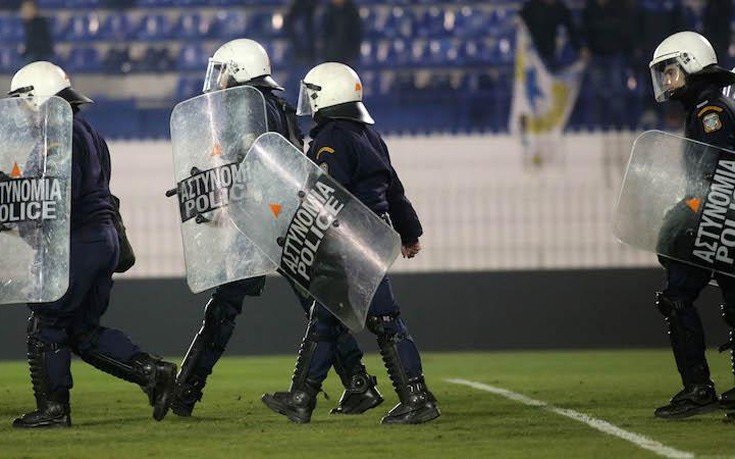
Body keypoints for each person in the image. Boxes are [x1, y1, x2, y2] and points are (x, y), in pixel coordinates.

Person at [170, 39, 383, 418]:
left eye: (222, 71)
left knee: (224, 309)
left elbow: (245, 167)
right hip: (281, 217)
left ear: (237, 72)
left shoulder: (245, 110)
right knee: (314, 303)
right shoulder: (277, 107)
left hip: (264, 223)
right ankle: (358, 382)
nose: (217, 81)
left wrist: (217, 197)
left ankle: (184, 391)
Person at [261, 62, 440, 425]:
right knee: (325, 320)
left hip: (348, 241)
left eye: (312, 94)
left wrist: (298, 236)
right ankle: (301, 397)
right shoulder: (370, 136)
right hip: (372, 236)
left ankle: (417, 398)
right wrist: (409, 235)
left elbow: (325, 196)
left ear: (328, 96)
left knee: (384, 322)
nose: (308, 102)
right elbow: (395, 191)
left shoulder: (331, 139)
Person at [8, 61, 177, 428]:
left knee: (47, 322)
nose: (20, 111)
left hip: (77, 240)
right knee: (83, 332)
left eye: (22, 101)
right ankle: (153, 373)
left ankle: (53, 411)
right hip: (104, 239)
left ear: (38, 99)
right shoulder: (88, 131)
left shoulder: (57, 136)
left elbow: (55, 199)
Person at [647, 31, 735, 421]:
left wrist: (688, 210)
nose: (666, 81)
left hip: (722, 222)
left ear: (691, 63)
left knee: (681, 296)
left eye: (670, 71)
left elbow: (720, 172)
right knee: (682, 296)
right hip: (717, 222)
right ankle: (699, 388)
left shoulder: (710, 113)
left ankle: (699, 389)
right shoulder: (704, 108)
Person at [580, 0, 635, 129]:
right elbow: (584, 31)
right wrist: (584, 47)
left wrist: (626, 48)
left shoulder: (618, 7)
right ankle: (599, 125)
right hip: (596, 55)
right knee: (597, 92)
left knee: (617, 91)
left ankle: (619, 125)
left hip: (614, 54)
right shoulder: (589, 9)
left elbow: (624, 30)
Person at [519, 0, 587, 71]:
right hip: (531, 55)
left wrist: (580, 48)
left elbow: (571, 31)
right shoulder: (530, 6)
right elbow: (519, 24)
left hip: (550, 55)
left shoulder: (560, 8)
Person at [320, 0, 363, 68]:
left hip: (348, 55)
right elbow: (324, 33)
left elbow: (356, 34)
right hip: (331, 54)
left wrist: (353, 53)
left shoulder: (352, 10)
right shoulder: (328, 11)